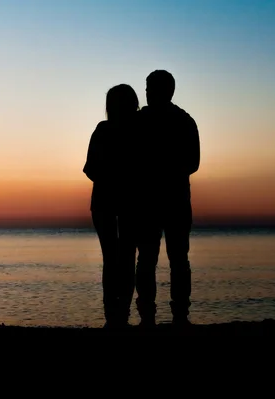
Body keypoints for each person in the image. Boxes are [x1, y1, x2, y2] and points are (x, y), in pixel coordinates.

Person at [135, 70, 200, 327]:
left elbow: (192, 163)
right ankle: (158, 315)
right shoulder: (180, 121)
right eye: (147, 88)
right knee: (158, 258)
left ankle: (174, 315)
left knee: (169, 258)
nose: (148, 93)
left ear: (167, 91)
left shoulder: (182, 121)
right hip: (162, 200)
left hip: (167, 200)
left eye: (151, 88)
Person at [83, 84, 140, 328]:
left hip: (109, 201)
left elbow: (90, 169)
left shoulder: (104, 130)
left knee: (113, 259)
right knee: (126, 258)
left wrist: (108, 176)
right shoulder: (139, 131)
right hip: (126, 202)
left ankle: (113, 316)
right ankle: (121, 314)